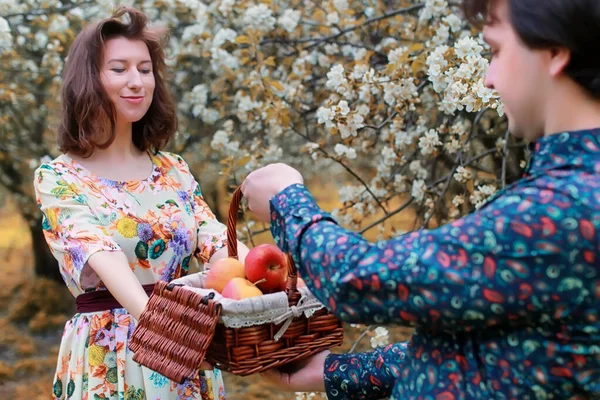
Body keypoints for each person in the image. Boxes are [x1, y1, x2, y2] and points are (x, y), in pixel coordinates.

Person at [241, 0, 600, 398]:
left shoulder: (563, 209)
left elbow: (358, 280)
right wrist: (340, 371)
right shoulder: (571, 192)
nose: (488, 79)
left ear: (554, 53)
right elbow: (499, 353)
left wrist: (286, 199)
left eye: (497, 51)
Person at [33, 7, 248, 400]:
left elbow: (215, 240)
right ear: (90, 79)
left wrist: (257, 282)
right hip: (113, 356)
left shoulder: (174, 170)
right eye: (119, 69)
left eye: (145, 69)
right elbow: (103, 253)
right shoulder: (60, 179)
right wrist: (159, 326)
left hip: (186, 342)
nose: (137, 82)